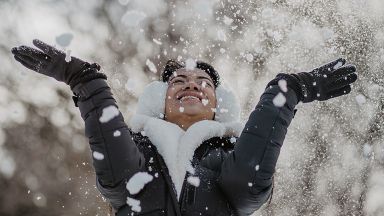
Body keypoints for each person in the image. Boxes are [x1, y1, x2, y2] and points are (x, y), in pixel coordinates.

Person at [11, 39, 357, 216]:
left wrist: (285, 91)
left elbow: (249, 182)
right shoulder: (138, 154)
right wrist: (85, 81)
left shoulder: (227, 160)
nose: (191, 85)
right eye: (179, 80)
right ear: (160, 100)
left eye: (203, 82)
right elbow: (117, 173)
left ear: (217, 104)